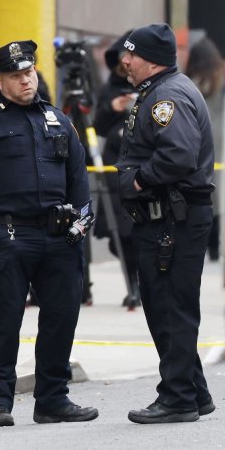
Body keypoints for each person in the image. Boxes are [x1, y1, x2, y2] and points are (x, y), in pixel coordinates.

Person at [0, 40, 98, 428]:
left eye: (29, 73)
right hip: (10, 238)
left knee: (60, 320)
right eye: (16, 76)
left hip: (60, 239)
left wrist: (82, 222)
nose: (25, 81)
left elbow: (78, 177)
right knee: (6, 322)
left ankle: (52, 400)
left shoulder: (57, 119)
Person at [117, 23, 216, 424]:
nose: (124, 60)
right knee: (167, 306)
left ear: (152, 60)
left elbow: (178, 156)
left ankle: (176, 399)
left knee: (170, 309)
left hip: (172, 219)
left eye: (131, 54)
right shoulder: (161, 90)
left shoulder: (168, 96)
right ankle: (193, 391)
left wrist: (138, 179)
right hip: (169, 218)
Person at [91, 30, 141, 305]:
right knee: (116, 236)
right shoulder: (109, 88)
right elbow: (97, 124)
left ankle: (137, 285)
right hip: (113, 164)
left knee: (134, 232)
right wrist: (114, 106)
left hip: (139, 164)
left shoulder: (149, 85)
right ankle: (133, 280)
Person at [185, 36, 225, 261]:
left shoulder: (188, 82)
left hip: (198, 140)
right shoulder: (220, 80)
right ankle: (217, 251)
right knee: (219, 194)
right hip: (220, 139)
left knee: (205, 191)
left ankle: (205, 244)